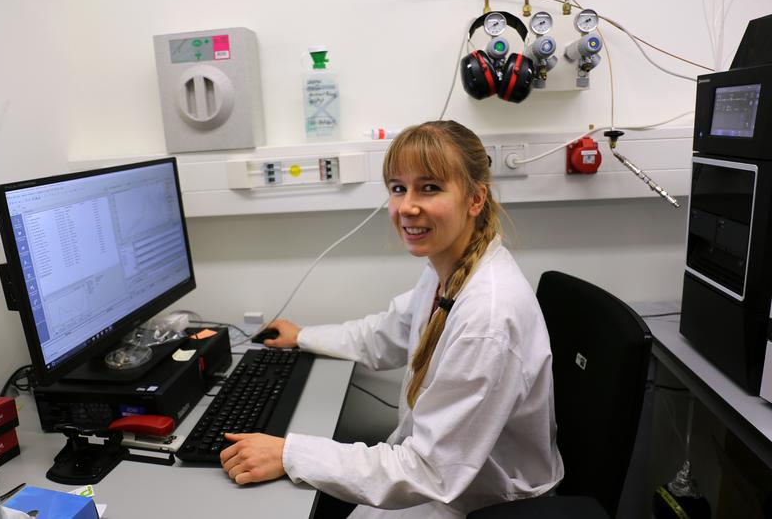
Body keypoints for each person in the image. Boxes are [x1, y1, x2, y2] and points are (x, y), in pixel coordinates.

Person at [219, 120, 564, 518]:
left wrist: (291, 453)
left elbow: (431, 471)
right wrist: (303, 336)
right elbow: (388, 334)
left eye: (429, 187)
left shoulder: (487, 318)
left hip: (477, 502)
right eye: (398, 188)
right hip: (443, 481)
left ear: (475, 199)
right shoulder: (450, 270)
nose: (406, 206)